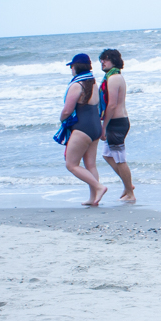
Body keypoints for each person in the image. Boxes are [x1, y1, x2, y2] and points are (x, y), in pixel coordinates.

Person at [56, 53, 107, 207]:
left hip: (82, 128)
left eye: (72, 66)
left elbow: (67, 110)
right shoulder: (93, 84)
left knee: (71, 164)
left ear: (76, 66)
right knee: (90, 165)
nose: (71, 69)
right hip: (95, 128)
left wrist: (61, 119)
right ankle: (94, 198)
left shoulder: (76, 85)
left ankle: (99, 187)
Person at [98, 48, 135, 202]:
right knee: (107, 155)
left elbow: (112, 105)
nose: (102, 62)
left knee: (120, 159)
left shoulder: (113, 78)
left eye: (105, 59)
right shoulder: (113, 76)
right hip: (117, 121)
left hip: (116, 122)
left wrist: (103, 127)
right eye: (101, 60)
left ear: (113, 60)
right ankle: (128, 185)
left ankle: (130, 193)